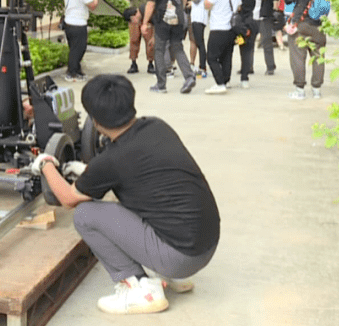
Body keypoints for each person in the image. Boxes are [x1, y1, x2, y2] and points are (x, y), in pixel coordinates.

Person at [30, 75, 220, 315]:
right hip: (207, 242)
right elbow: (139, 171)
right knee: (133, 196)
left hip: (181, 257)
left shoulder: (111, 161)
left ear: (95, 121)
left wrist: (46, 163)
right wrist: (88, 173)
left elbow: (67, 198)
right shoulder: (156, 125)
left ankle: (140, 289)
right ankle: (169, 275)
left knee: (86, 214)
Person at [141, 0, 195, 94]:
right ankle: (189, 76)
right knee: (178, 47)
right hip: (178, 18)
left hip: (162, 19)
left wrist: (145, 22)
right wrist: (180, 12)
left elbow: (151, 4)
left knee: (159, 49)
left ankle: (161, 84)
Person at [283, 0, 327, 100]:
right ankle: (316, 90)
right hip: (320, 25)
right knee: (318, 57)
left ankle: (300, 90)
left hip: (301, 24)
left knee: (298, 57)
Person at [202, 0, 240, 95]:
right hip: (231, 29)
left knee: (211, 57)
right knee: (226, 56)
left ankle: (220, 83)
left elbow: (206, 5)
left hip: (218, 28)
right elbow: (238, 7)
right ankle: (226, 80)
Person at [227, 0, 265, 89]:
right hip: (248, 23)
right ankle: (244, 79)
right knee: (247, 50)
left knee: (228, 50)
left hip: (234, 22)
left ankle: (226, 79)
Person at [61, 0, 99, 82]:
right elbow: (93, 6)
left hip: (68, 22)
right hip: (79, 24)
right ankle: (71, 72)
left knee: (73, 48)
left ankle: (77, 70)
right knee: (79, 49)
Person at [123, 0, 155, 74]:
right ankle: (133, 63)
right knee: (134, 40)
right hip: (134, 14)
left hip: (147, 14)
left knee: (149, 40)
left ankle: (151, 63)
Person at [186, 0, 210, 78]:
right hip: (196, 15)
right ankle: (202, 67)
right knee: (198, 41)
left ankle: (202, 68)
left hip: (199, 17)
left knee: (200, 43)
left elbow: (196, 0)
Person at [258, 0, 281, 74]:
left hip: (265, 12)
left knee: (266, 40)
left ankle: (270, 66)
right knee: (245, 40)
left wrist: (275, 9)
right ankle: (247, 66)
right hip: (249, 12)